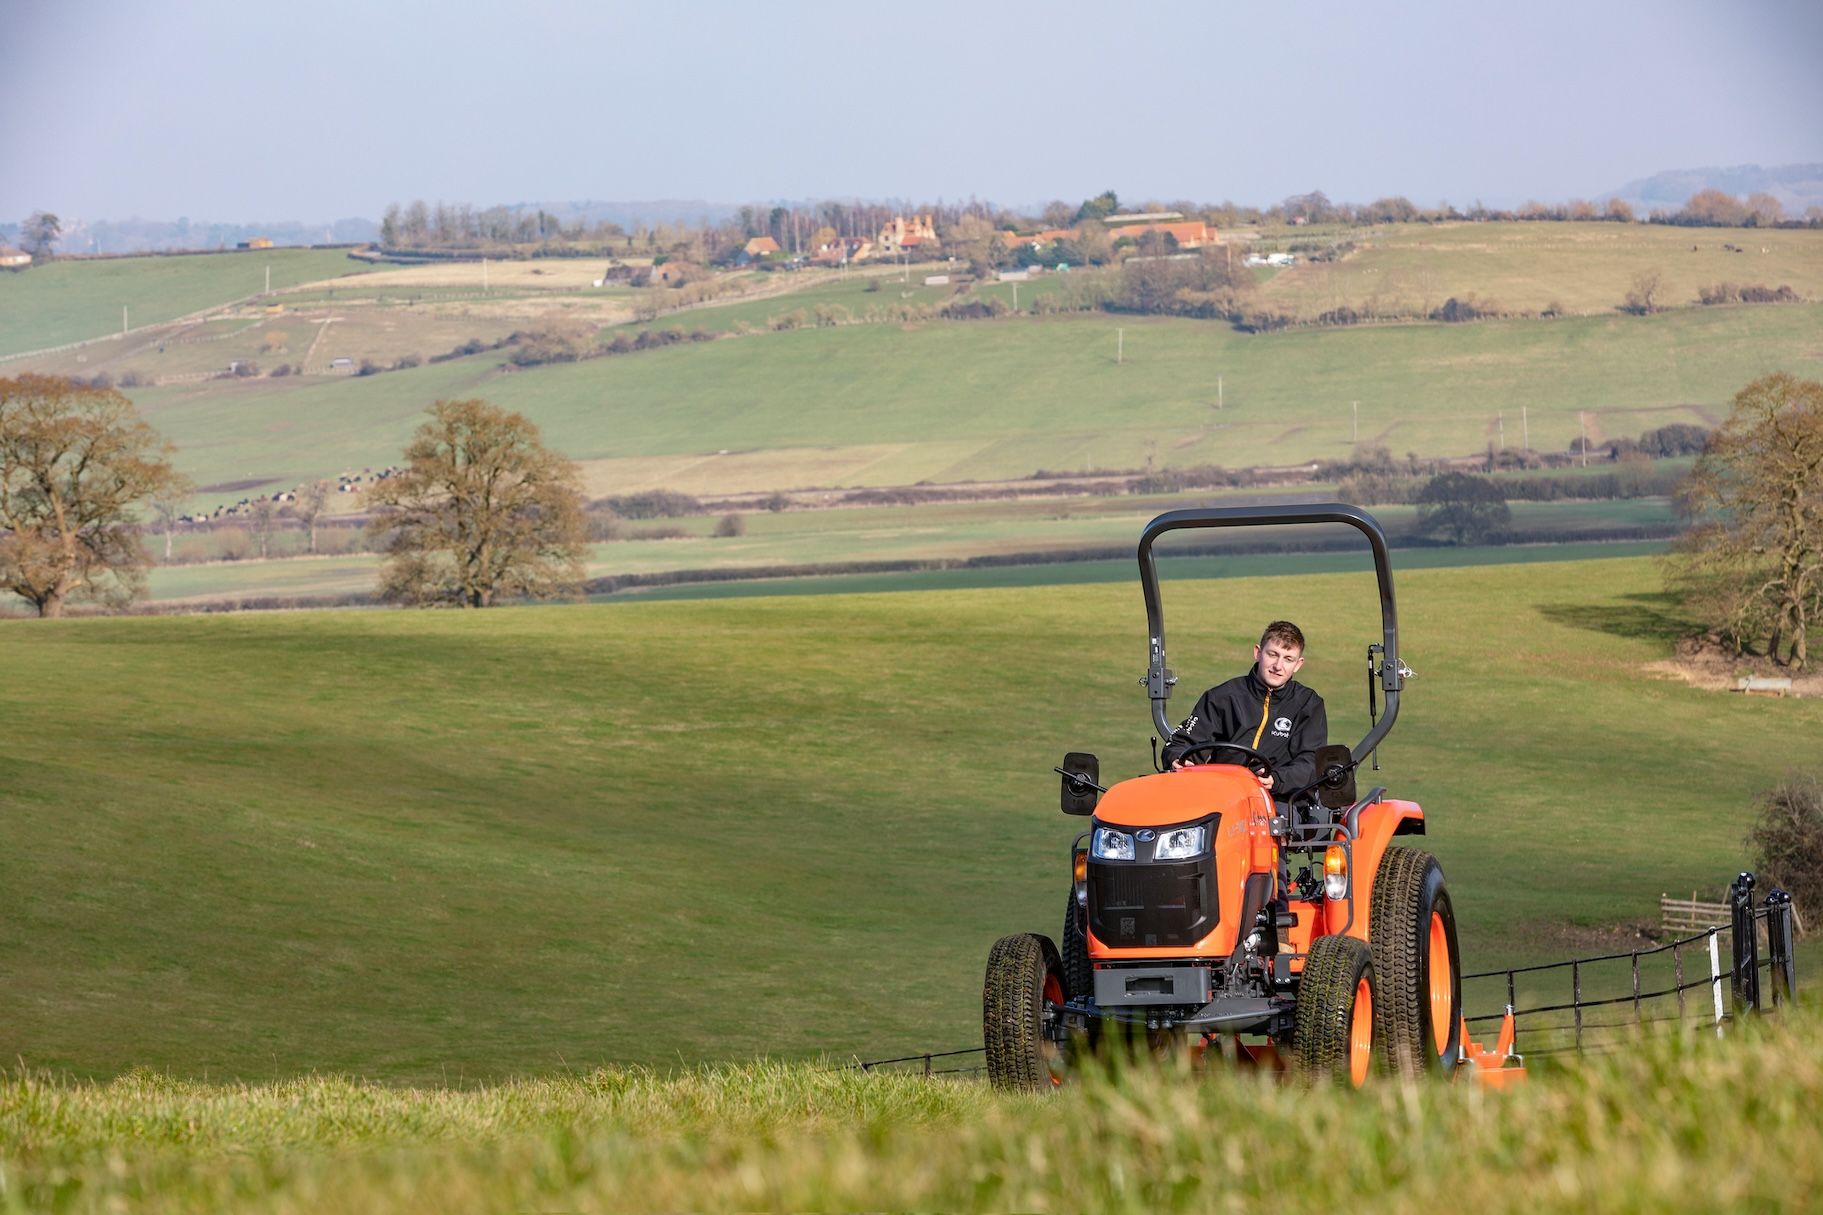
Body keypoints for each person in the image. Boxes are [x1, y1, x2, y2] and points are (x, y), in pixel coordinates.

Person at [1161, 620, 1327, 795]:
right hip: (1223, 794)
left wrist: (1276, 779)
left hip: (1278, 799)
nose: (1278, 666)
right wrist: (1177, 758)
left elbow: (1311, 761)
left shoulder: (1308, 704)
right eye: (1272, 654)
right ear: (1258, 652)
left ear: (1298, 664)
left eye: (1288, 659)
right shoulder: (1223, 697)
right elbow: (1182, 742)